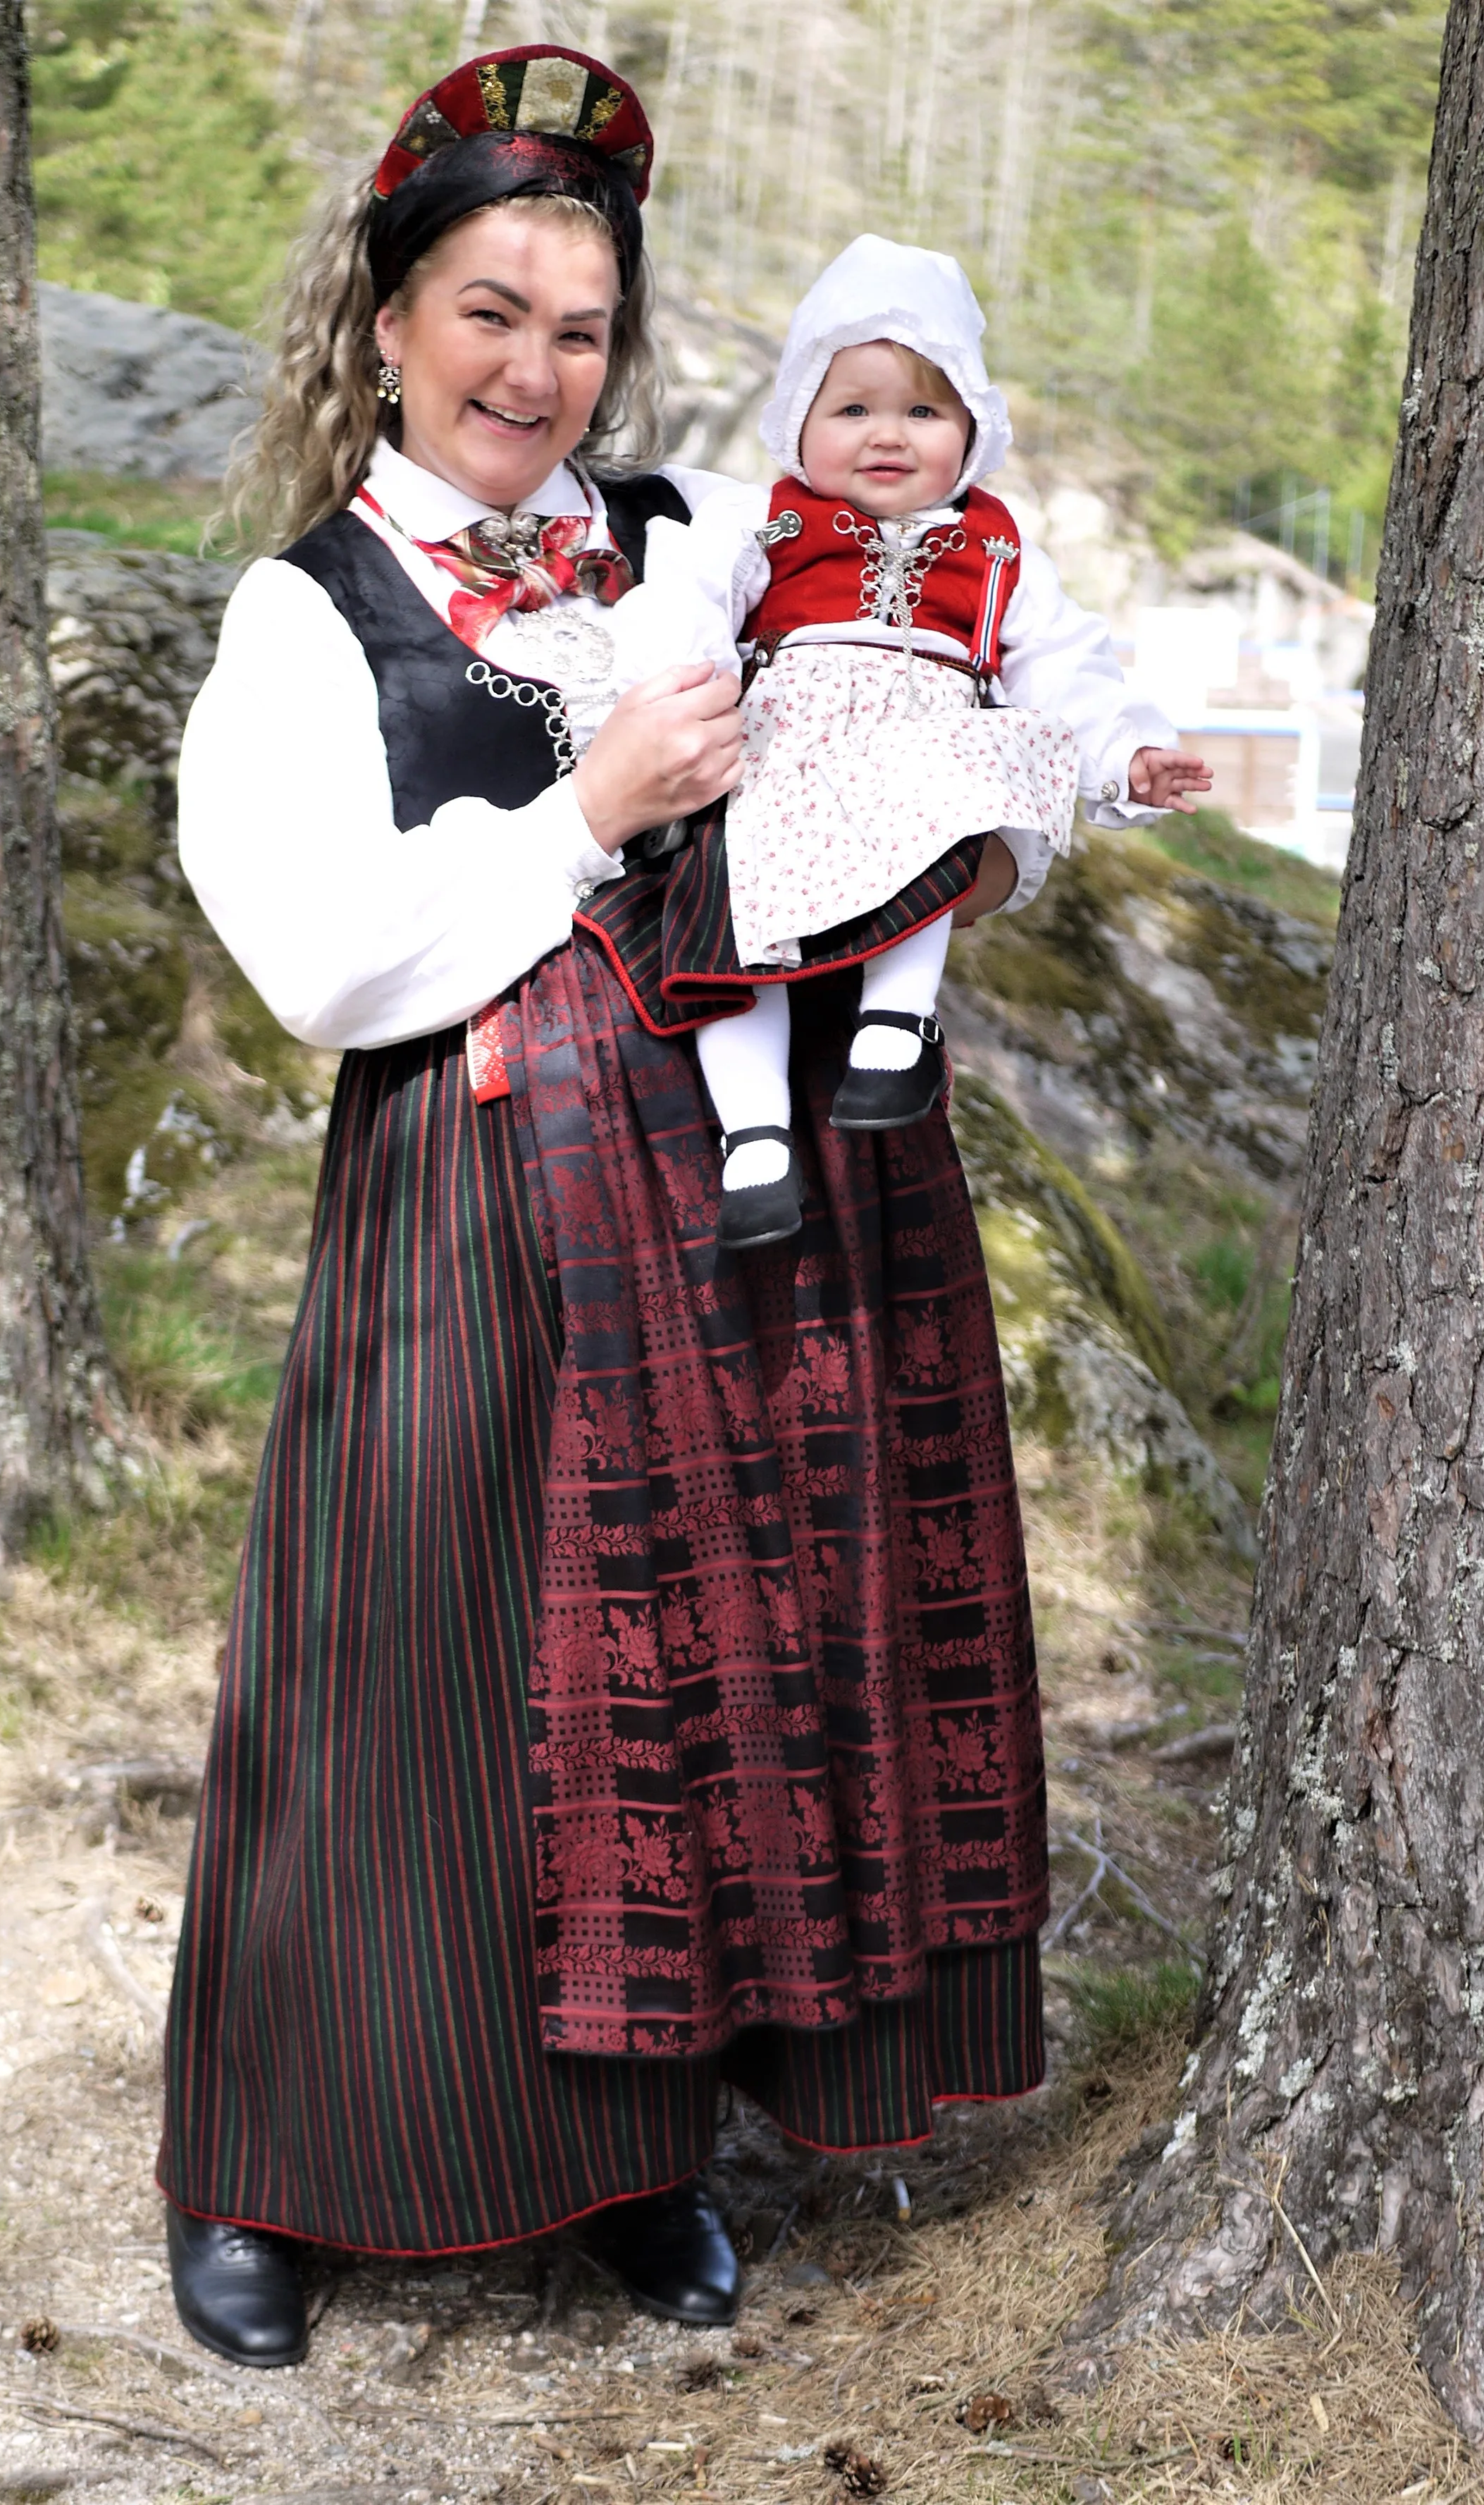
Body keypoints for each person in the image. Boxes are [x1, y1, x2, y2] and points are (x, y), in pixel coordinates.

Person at [161, 43, 1057, 2374]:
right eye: (488, 312)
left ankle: (639, 2155)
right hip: (476, 1203)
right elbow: (317, 963)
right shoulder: (309, 615)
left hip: (742, 1205)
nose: (533, 369)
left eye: (577, 327)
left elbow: (921, 675)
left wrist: (987, 818)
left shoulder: (699, 531)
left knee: (683, 1695)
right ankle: (265, 2163)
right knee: (416, 1689)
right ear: (388, 320)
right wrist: (588, 817)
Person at [605, 233, 1209, 1250]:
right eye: (853, 409)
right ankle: (753, 1138)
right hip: (788, 753)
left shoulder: (1000, 546)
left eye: (924, 412)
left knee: (952, 791)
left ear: (972, 427)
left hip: (926, 748)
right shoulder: (765, 521)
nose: (887, 434)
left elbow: (1066, 670)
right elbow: (689, 597)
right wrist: (688, 676)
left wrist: (1126, 755)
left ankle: (897, 1020)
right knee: (736, 921)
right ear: (799, 422)